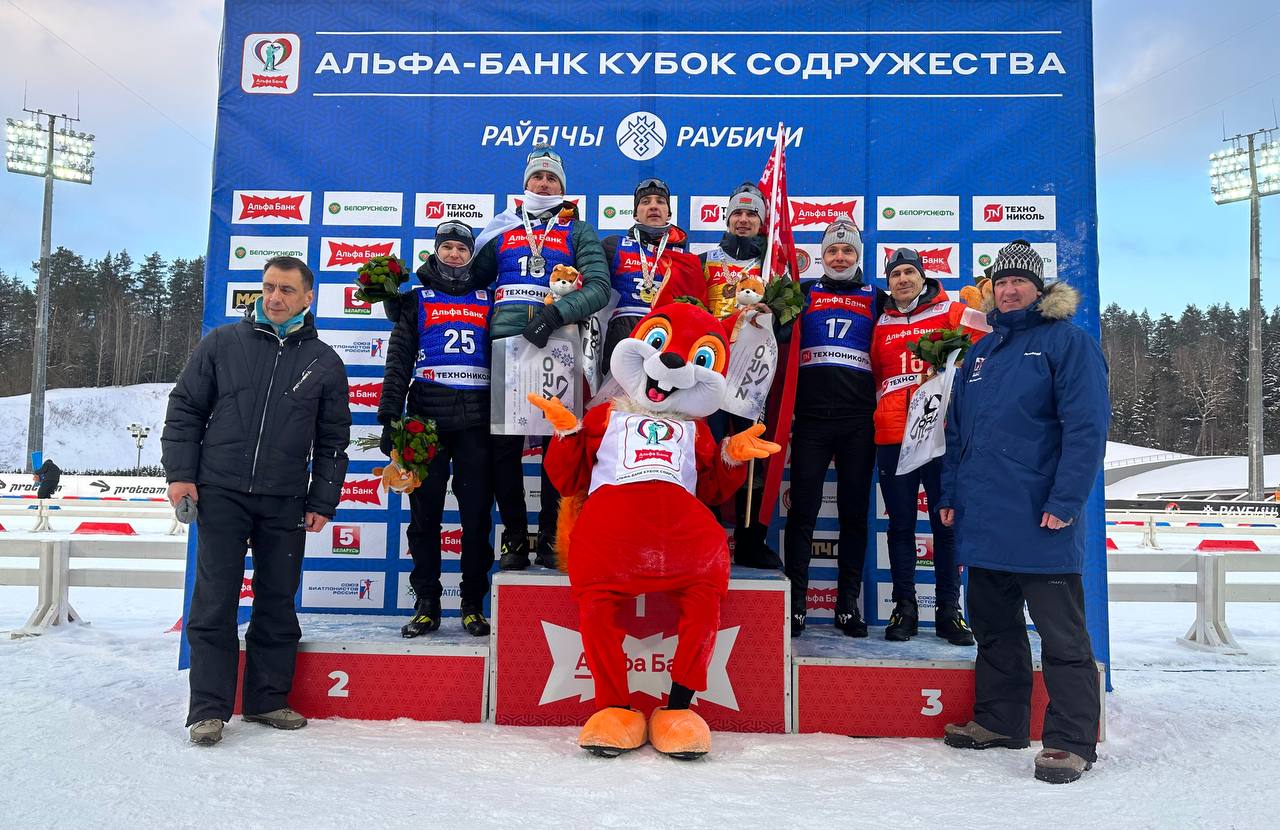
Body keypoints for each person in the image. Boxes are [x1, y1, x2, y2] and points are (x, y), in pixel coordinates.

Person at [937, 240, 1109, 785]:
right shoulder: (982, 352)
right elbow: (957, 433)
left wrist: (1064, 503)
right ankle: (999, 722)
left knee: (1061, 637)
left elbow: (1086, 431)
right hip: (985, 518)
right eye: (1001, 283)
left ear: (1040, 290)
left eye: (1020, 282)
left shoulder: (1068, 344)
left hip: (1041, 519)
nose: (1009, 290)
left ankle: (1070, 741)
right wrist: (948, 496)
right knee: (993, 626)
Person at [162, 255, 350, 747]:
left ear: (308, 297)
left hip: (285, 498)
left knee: (276, 600)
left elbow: (332, 440)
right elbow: (184, 409)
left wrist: (323, 499)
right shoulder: (223, 343)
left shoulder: (325, 362)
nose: (274, 298)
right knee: (214, 601)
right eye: (268, 287)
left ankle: (266, 699)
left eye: (286, 290)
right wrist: (182, 475)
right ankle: (208, 709)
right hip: (220, 491)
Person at [471, 146, 609, 571]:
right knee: (504, 450)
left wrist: (554, 315)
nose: (545, 184)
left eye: (553, 179)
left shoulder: (578, 230)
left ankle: (550, 538)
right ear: (525, 183)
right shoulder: (503, 229)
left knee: (558, 445)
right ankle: (515, 538)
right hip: (507, 344)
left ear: (563, 188)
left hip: (558, 343)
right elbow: (466, 281)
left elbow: (599, 288)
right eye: (538, 177)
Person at [377, 222, 494, 639]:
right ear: (435, 253)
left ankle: (472, 605)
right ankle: (427, 604)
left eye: (462, 249)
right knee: (424, 518)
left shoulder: (489, 298)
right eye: (447, 247)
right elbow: (398, 361)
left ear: (471, 256)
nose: (455, 255)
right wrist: (390, 417)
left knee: (476, 518)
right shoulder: (415, 300)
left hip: (477, 422)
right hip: (425, 419)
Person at [870, 247, 989, 644]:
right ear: (888, 282)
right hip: (892, 436)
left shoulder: (949, 311)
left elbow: (991, 333)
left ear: (924, 277)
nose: (903, 279)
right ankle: (903, 608)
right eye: (896, 274)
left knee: (946, 525)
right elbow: (873, 374)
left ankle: (949, 611)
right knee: (901, 525)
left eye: (910, 272)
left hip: (939, 436)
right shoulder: (880, 321)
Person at [784, 217, 884, 637]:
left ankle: (847, 607)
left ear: (858, 256)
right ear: (822, 256)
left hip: (858, 422)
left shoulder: (875, 296)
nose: (839, 257)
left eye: (847, 251)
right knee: (802, 513)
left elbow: (917, 308)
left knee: (853, 515)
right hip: (810, 420)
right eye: (832, 251)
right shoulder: (804, 292)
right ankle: (797, 605)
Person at [699, 182, 777, 567]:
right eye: (738, 214)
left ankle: (749, 541)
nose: (744, 220)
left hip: (752, 372)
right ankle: (707, 533)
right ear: (727, 218)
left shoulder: (772, 266)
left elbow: (788, 322)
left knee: (751, 452)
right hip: (711, 370)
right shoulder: (705, 259)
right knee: (710, 450)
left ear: (762, 222)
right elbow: (692, 309)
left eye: (752, 214)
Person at [600, 177, 689, 369]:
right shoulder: (613, 246)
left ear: (669, 213)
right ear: (635, 214)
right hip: (622, 336)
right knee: (618, 399)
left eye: (660, 202)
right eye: (646, 202)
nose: (653, 206)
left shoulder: (685, 259)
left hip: (665, 338)